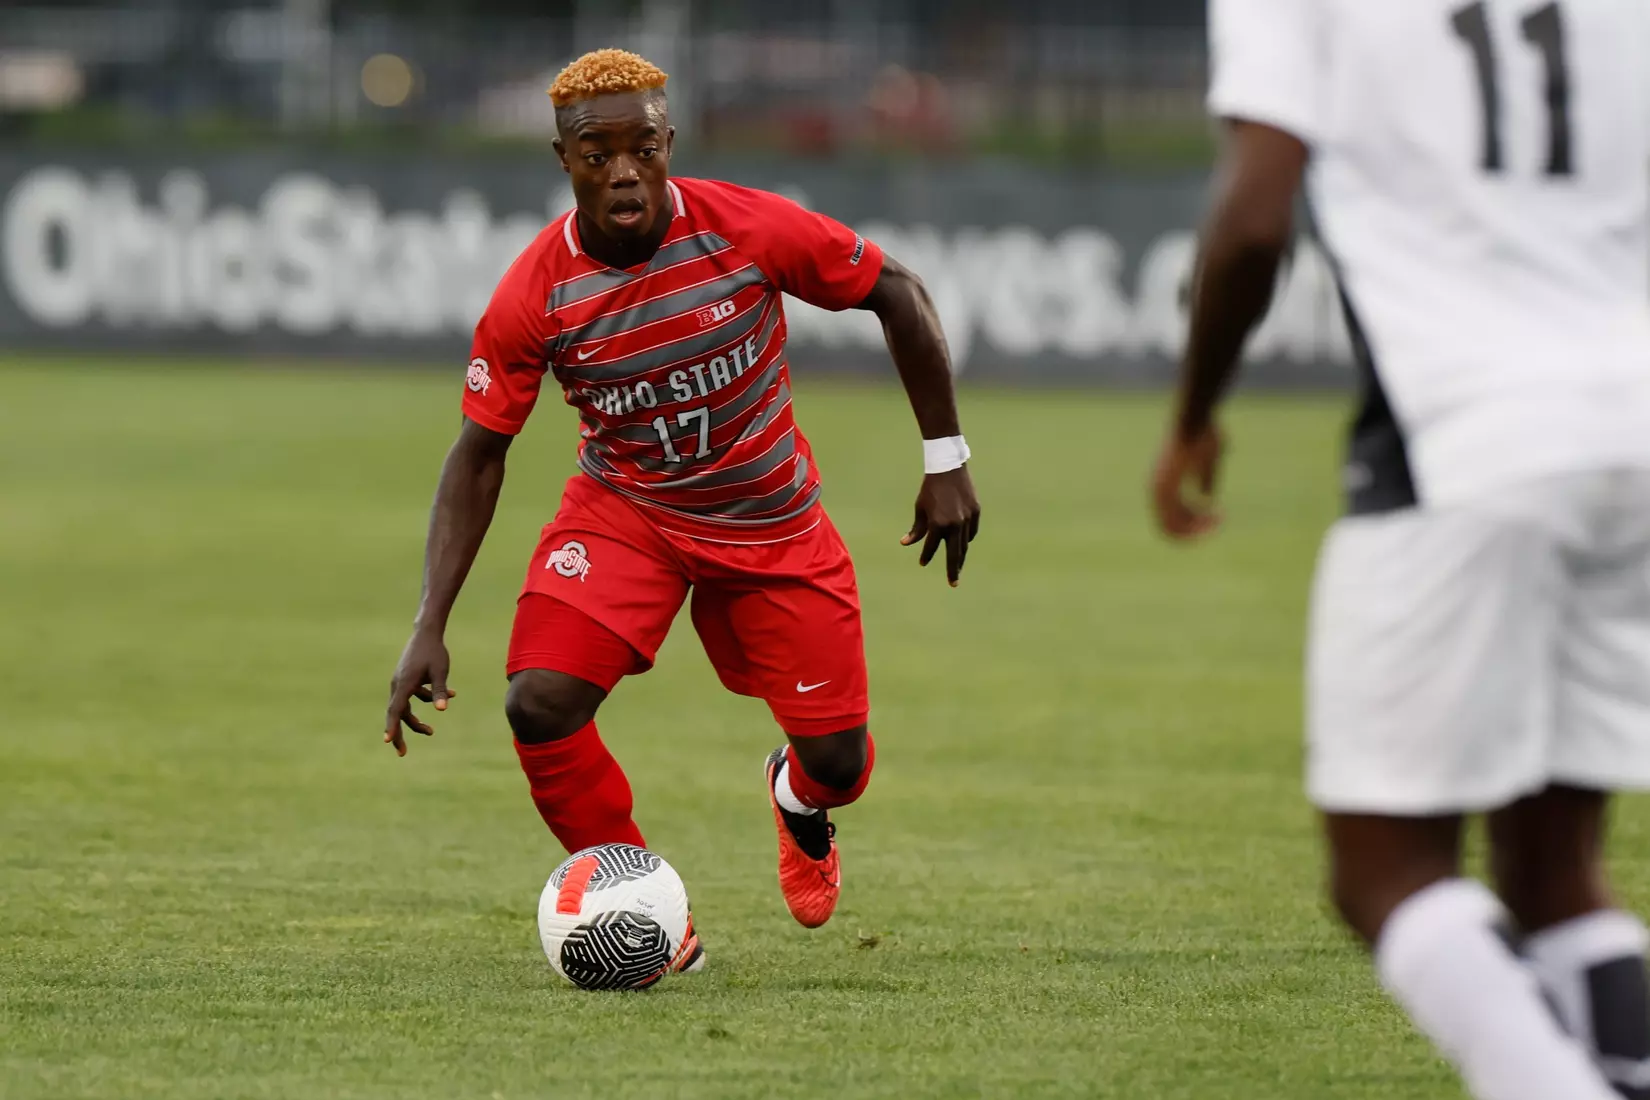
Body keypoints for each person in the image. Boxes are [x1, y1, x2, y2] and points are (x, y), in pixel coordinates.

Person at [1153, 2, 1650, 1097]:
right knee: (1557, 868)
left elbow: (1254, 218)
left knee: (1382, 865)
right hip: (1631, 423)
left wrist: (1193, 412)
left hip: (1460, 432)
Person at [382, 49, 979, 937]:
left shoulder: (745, 227)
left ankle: (798, 798)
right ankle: (647, 918)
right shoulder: (536, 293)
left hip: (772, 521)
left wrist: (946, 459)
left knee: (842, 762)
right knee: (538, 702)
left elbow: (897, 291)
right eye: (596, 152)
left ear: (669, 143)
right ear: (564, 159)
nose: (623, 169)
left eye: (643, 147)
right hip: (632, 517)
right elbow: (478, 456)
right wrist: (429, 622)